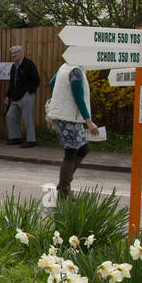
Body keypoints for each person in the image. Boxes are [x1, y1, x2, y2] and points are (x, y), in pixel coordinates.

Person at [48, 62, 99, 198]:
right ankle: (63, 190)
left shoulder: (65, 66)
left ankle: (65, 182)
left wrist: (62, 95)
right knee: (71, 151)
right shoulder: (75, 72)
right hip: (67, 118)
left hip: (69, 117)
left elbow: (52, 82)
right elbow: (79, 98)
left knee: (83, 148)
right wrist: (89, 122)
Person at [4, 44, 40, 148]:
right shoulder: (13, 67)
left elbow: (36, 80)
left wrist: (29, 92)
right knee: (10, 115)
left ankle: (31, 140)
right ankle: (15, 137)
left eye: (15, 53)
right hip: (16, 96)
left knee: (27, 118)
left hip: (26, 95)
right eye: (12, 53)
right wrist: (8, 96)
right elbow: (12, 83)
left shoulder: (29, 64)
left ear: (21, 53)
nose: (13, 55)